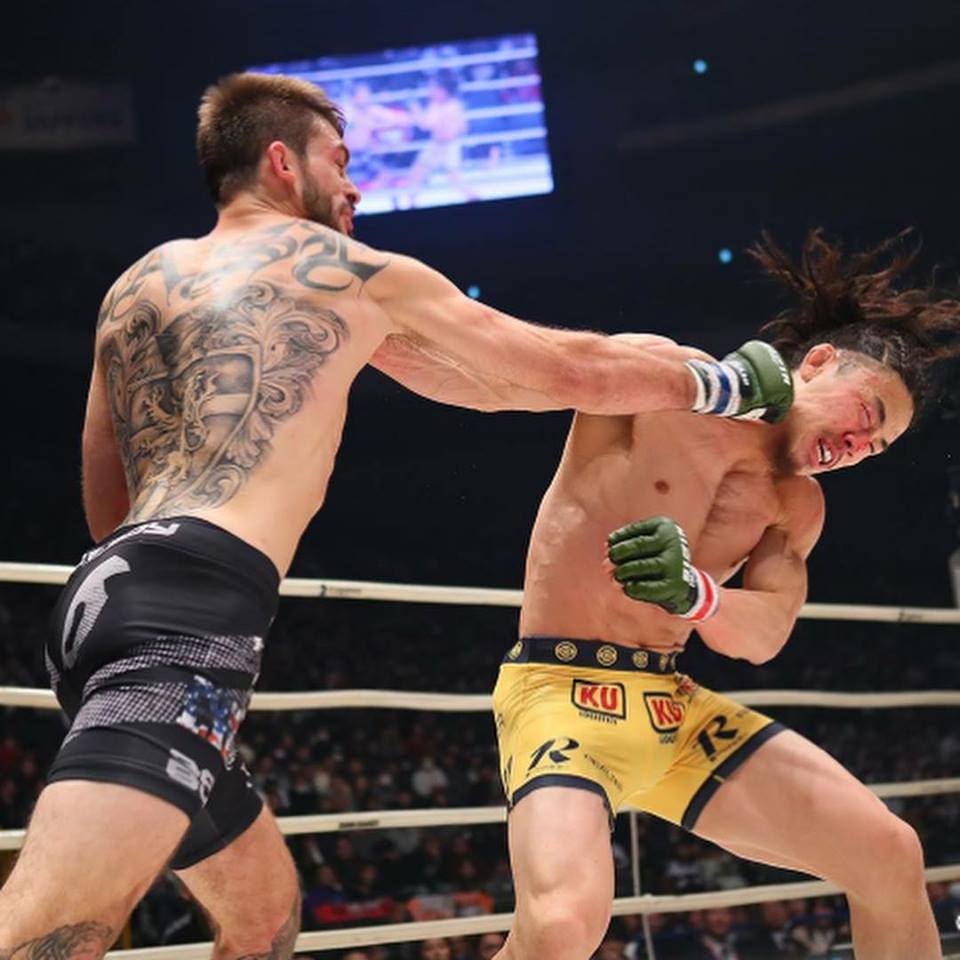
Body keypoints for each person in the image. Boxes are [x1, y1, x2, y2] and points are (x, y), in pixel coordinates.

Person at [0, 72, 790, 960]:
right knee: (50, 933)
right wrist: (720, 384)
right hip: (191, 610)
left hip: (100, 600)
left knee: (262, 918)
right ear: (282, 162)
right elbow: (562, 369)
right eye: (339, 161)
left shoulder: (134, 287)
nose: (355, 187)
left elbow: (106, 505)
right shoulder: (353, 272)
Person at [491, 230, 960, 960]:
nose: (856, 446)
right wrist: (709, 382)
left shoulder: (796, 504)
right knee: (558, 928)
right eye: (866, 416)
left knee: (890, 855)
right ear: (818, 362)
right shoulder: (669, 381)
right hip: (561, 692)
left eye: (875, 448)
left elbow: (766, 633)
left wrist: (697, 596)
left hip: (671, 711)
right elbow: (545, 371)